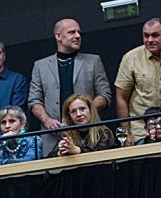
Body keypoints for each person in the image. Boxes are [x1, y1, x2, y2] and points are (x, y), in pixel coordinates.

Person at [28, 17, 112, 156]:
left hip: (89, 135)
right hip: (53, 135)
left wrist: (83, 113)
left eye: (79, 32)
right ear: (58, 36)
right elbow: (34, 100)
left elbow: (105, 95)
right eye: (72, 32)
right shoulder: (40, 66)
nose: (78, 36)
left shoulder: (93, 61)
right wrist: (47, 120)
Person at [116, 18, 161, 139]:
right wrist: (127, 134)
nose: (150, 40)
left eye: (155, 35)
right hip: (140, 131)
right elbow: (121, 97)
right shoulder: (131, 58)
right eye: (146, 36)